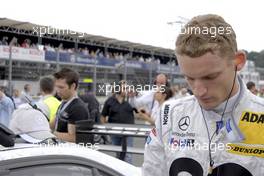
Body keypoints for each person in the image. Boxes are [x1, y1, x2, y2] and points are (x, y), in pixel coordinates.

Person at [143, 14, 264, 176]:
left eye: (210, 77)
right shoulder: (170, 115)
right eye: (190, 78)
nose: (199, 91)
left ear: (238, 61)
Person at [100, 80, 134, 163]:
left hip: (128, 132)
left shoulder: (130, 100)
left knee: (128, 155)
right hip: (114, 132)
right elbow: (103, 116)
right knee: (119, 154)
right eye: (124, 88)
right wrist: (105, 130)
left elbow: (138, 108)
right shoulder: (109, 101)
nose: (126, 90)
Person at [53, 68, 90, 143]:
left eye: (61, 87)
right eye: (56, 86)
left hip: (71, 152)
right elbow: (53, 124)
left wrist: (51, 134)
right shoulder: (64, 103)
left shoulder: (78, 108)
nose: (58, 90)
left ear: (73, 86)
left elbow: (74, 138)